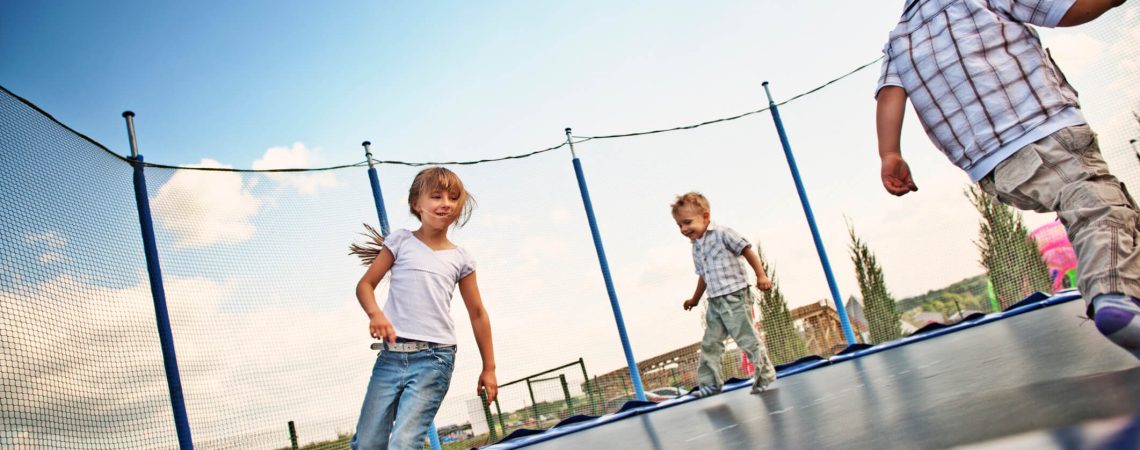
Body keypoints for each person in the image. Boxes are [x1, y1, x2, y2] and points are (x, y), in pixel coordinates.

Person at [875, 0, 1138, 357]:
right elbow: (1066, 11)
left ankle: (1124, 296)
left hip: (994, 170)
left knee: (1089, 212)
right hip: (1042, 131)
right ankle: (1115, 293)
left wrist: (889, 153)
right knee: (1100, 207)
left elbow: (889, 95)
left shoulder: (900, 37)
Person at [349, 167, 498, 449]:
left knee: (404, 443)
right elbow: (365, 285)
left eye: (453, 198)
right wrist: (376, 314)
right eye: (437, 196)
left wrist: (488, 367)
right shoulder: (401, 241)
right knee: (367, 443)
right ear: (417, 204)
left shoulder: (461, 258)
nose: (446, 203)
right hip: (391, 358)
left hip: (435, 358)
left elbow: (477, 313)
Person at [672, 192, 778, 397]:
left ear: (705, 216)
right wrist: (695, 299)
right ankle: (710, 384)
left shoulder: (723, 233)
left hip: (735, 295)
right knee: (710, 343)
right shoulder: (696, 247)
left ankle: (765, 373)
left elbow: (746, 250)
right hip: (715, 302)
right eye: (679, 226)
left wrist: (761, 275)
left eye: (687, 223)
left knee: (746, 338)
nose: (684, 229)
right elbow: (703, 275)